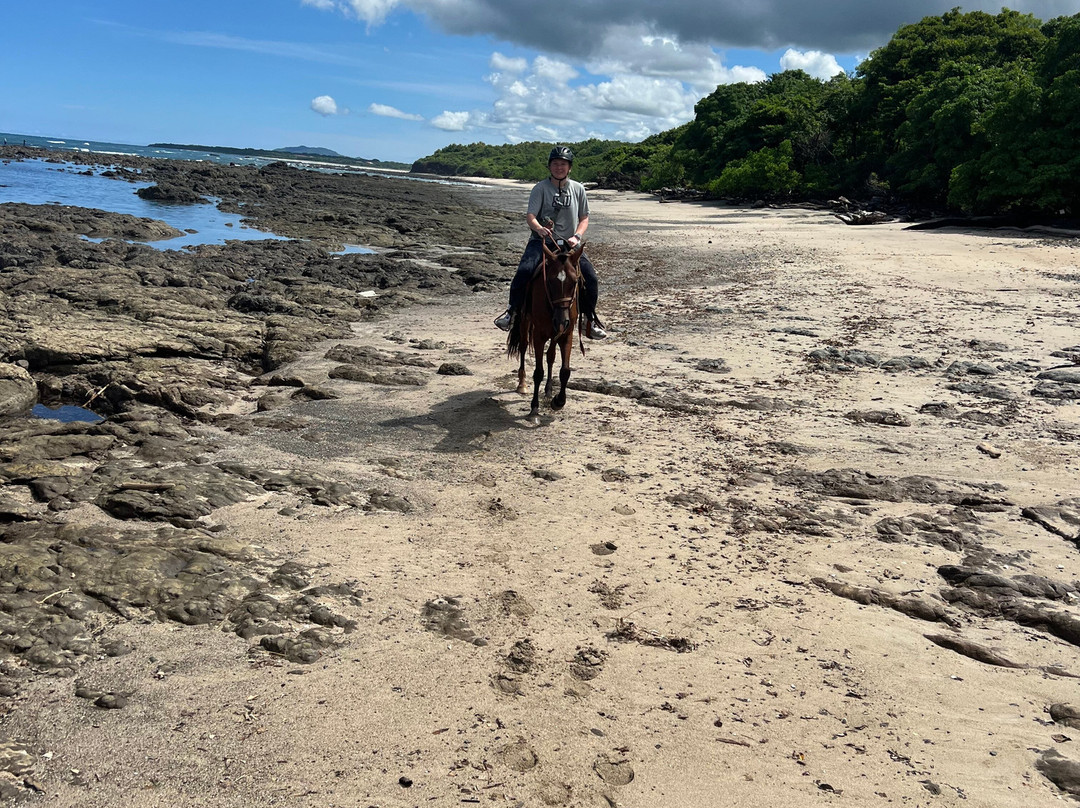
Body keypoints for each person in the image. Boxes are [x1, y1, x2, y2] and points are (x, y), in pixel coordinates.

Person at [495, 146, 606, 339]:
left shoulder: (578, 189)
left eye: (563, 164)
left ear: (569, 167)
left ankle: (589, 320)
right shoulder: (540, 189)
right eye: (555, 164)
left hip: (570, 244)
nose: (559, 167)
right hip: (542, 241)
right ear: (549, 166)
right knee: (524, 271)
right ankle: (511, 313)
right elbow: (530, 215)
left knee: (591, 278)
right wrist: (539, 229)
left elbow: (584, 218)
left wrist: (577, 236)